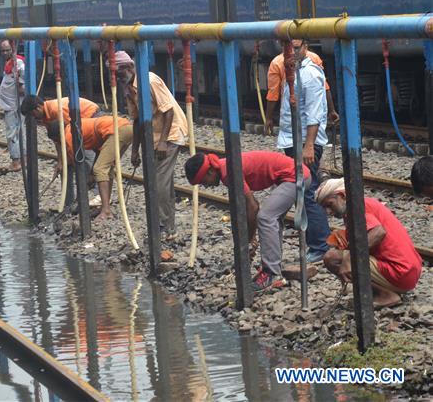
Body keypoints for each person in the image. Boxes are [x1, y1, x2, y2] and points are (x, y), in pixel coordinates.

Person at [184, 151, 312, 292]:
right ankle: (272, 268)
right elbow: (248, 207)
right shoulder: (226, 168)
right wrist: (250, 238)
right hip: (290, 176)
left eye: (203, 182)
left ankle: (272, 273)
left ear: (209, 171)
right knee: (273, 218)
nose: (205, 186)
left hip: (296, 177)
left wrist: (251, 239)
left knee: (266, 217)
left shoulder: (229, 172)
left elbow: (253, 206)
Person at [115, 50, 188, 240]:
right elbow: (137, 120)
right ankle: (166, 225)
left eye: (119, 73)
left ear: (130, 67)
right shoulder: (129, 88)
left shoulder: (149, 80)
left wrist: (163, 142)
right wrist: (134, 150)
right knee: (159, 182)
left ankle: (165, 227)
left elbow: (169, 111)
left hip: (170, 132)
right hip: (153, 135)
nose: (118, 77)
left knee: (160, 183)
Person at [315, 178, 422, 307]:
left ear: (342, 196)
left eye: (329, 205)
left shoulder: (357, 207)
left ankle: (385, 295)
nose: (328, 212)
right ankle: (381, 291)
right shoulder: (360, 205)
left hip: (400, 272)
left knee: (332, 258)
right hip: (408, 271)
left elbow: (378, 232)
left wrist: (349, 256)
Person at [277, 38, 330, 263]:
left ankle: (320, 245)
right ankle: (316, 243)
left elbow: (315, 112)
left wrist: (309, 145)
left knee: (307, 191)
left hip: (305, 143)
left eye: (296, 48)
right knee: (302, 190)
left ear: (305, 46)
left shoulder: (310, 74)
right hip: (293, 140)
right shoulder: (291, 70)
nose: (291, 52)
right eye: (287, 48)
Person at [46, 115, 134, 223]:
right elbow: (98, 151)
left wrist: (85, 183)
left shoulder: (68, 135)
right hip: (126, 128)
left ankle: (106, 210)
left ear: (57, 136)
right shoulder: (75, 129)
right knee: (107, 167)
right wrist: (91, 174)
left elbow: (78, 165)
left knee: (100, 169)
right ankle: (104, 206)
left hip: (117, 129)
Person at [264, 41, 338, 135]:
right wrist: (331, 110)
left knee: (293, 141)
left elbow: (273, 94)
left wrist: (268, 118)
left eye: (296, 48)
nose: (294, 52)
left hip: (290, 111)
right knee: (313, 133)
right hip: (312, 110)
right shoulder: (314, 58)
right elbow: (324, 86)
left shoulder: (276, 63)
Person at [0, 40, 25, 174]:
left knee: (13, 132)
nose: (5, 53)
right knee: (17, 132)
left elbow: (22, 83)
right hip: (10, 104)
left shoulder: (17, 63)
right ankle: (21, 158)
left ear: (13, 49)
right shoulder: (10, 64)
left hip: (14, 105)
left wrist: (20, 84)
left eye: (8, 50)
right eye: (3, 50)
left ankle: (16, 161)